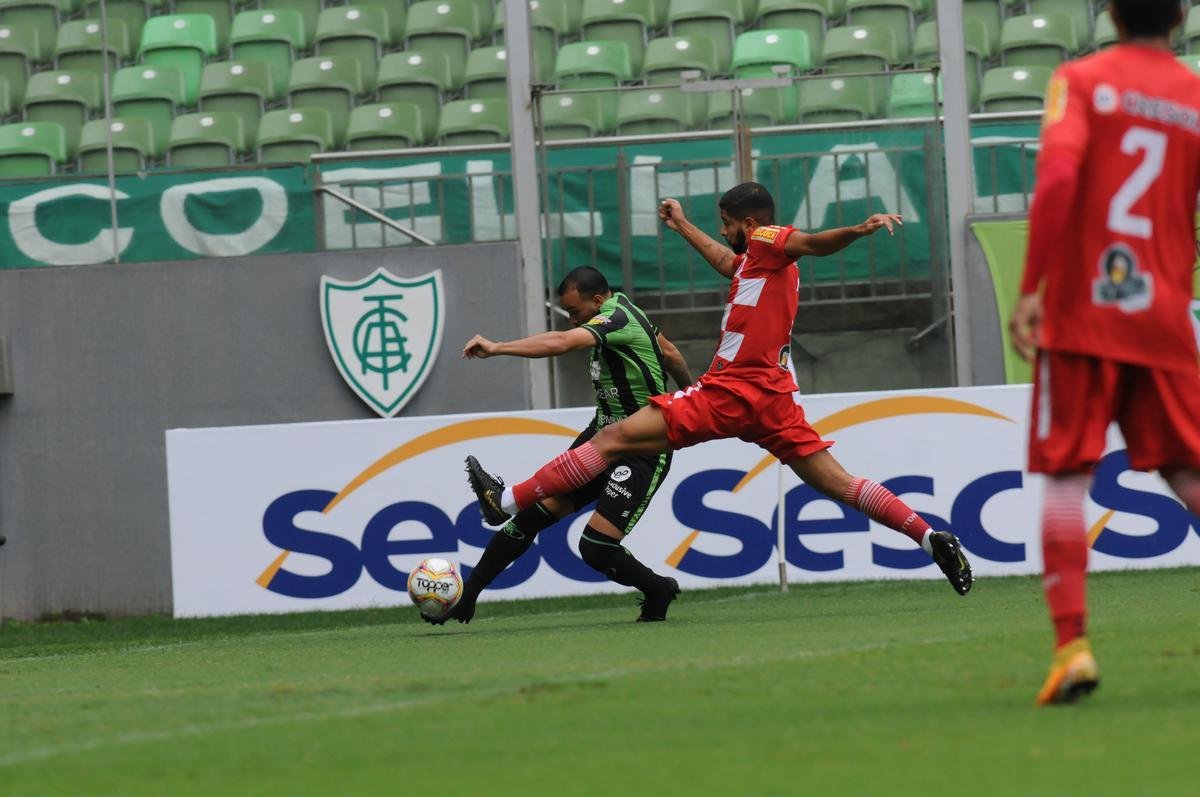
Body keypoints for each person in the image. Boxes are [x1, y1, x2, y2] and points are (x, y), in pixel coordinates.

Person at [466, 182, 974, 603]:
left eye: (726, 223)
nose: (724, 233)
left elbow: (814, 243)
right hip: (773, 398)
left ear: (748, 224)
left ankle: (505, 502)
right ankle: (929, 537)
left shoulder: (770, 239)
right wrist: (684, 226)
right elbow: (725, 262)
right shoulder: (757, 261)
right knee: (841, 484)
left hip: (734, 390)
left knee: (612, 438)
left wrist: (858, 230)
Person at [1009, 0, 1200, 706]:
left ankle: (1073, 646)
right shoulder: (1194, 95)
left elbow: (1058, 182)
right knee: (1186, 468)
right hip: (1162, 319)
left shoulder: (1080, 80)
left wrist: (1032, 289)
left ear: (1113, 13)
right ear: (1179, 17)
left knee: (1065, 475)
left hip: (1085, 314)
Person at [432, 266, 695, 625]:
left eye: (575, 312)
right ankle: (469, 594)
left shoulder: (617, 319)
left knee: (595, 547)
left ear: (599, 301)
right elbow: (672, 354)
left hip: (643, 447)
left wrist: (497, 348)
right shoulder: (627, 313)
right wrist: (691, 394)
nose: (572, 321)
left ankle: (658, 589)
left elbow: (559, 343)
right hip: (602, 437)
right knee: (529, 519)